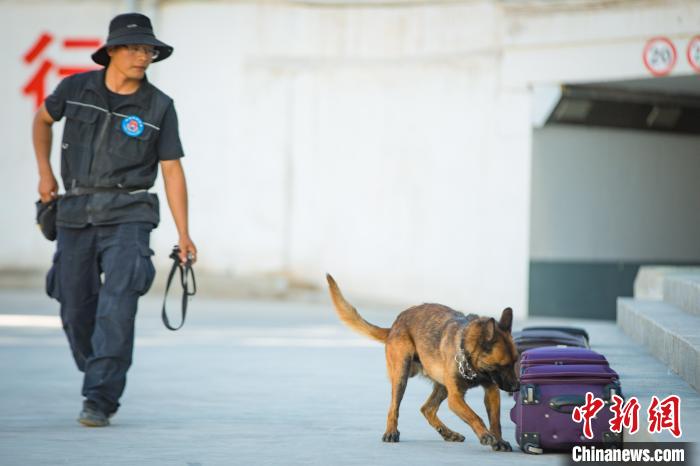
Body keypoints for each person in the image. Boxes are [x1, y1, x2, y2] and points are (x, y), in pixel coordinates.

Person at [32, 12, 197, 427]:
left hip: (130, 215)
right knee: (74, 307)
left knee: (117, 309)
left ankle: (100, 397)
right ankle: (100, 372)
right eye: (135, 47)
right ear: (111, 51)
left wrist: (184, 233)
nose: (144, 55)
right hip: (75, 213)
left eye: (149, 49)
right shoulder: (75, 88)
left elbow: (172, 170)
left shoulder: (159, 106)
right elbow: (42, 120)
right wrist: (45, 172)